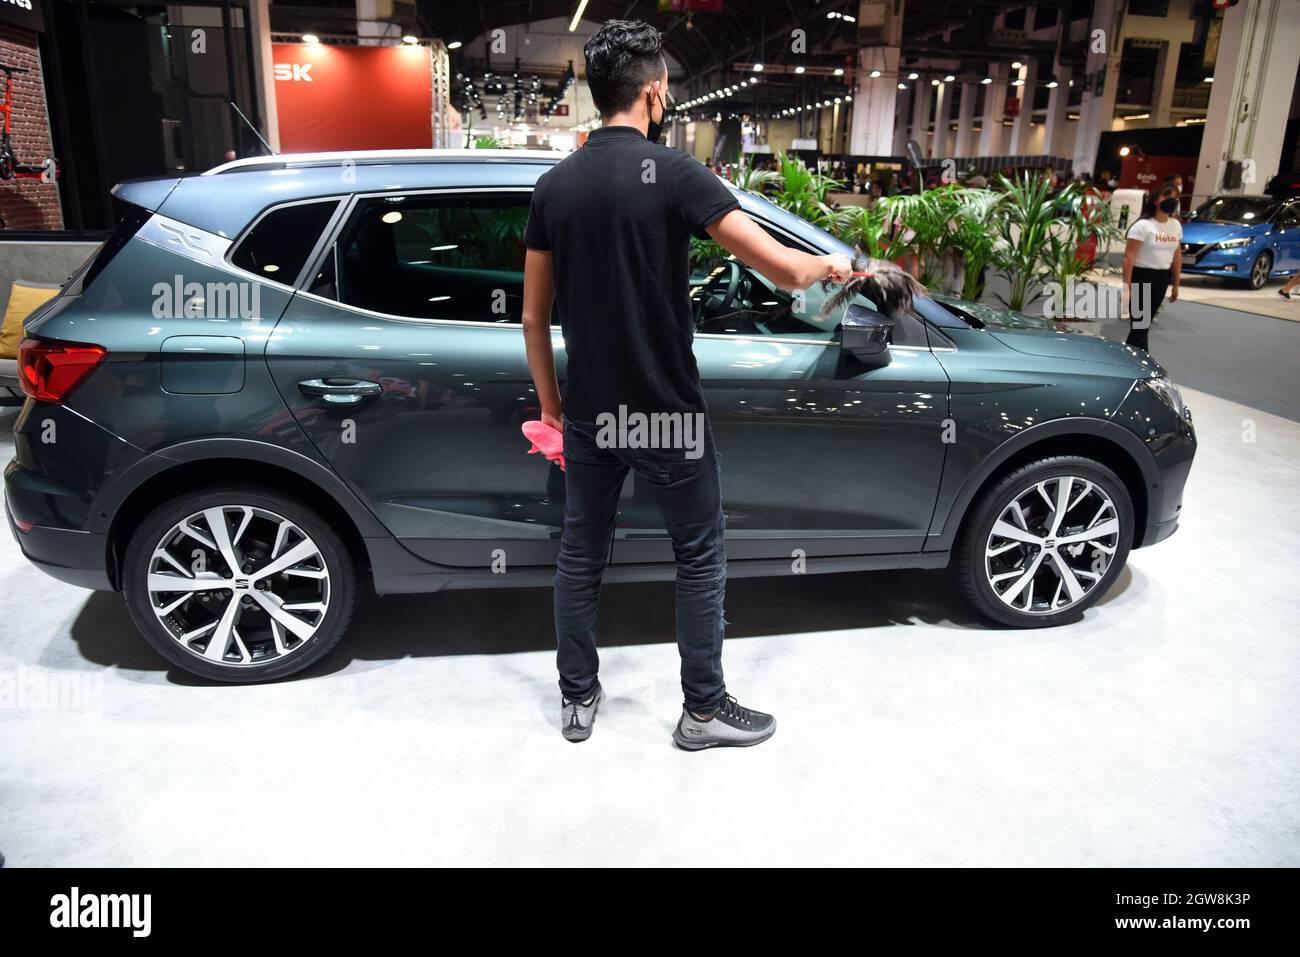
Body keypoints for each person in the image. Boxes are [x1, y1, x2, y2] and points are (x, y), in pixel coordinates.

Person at [520, 19, 852, 749]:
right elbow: (786, 270)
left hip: (591, 414)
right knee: (699, 553)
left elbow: (533, 318)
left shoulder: (554, 186)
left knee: (581, 555)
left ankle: (577, 698)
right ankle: (702, 711)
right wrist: (837, 266)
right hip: (667, 414)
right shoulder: (671, 174)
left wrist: (552, 407)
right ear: (653, 91)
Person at [1122, 184, 1182, 354]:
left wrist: (1176, 283)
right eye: (1167, 196)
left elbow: (1177, 255)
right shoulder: (1142, 226)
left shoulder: (1175, 226)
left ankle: (1129, 357)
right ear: (1156, 200)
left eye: (1175, 197)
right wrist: (1127, 286)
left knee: (1143, 325)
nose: (1171, 200)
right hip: (1142, 276)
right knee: (1140, 324)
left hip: (1162, 277)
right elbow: (1129, 257)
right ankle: (1143, 361)